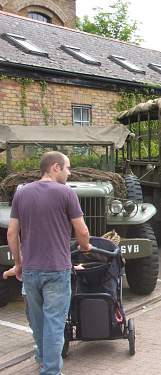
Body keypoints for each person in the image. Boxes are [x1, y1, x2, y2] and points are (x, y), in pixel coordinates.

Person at [7, 151, 91, 375]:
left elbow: (12, 233)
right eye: (67, 168)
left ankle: (43, 359)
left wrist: (18, 264)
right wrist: (85, 247)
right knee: (54, 323)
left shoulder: (21, 194)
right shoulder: (66, 193)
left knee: (37, 321)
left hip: (31, 271)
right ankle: (51, 371)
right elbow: (82, 230)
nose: (69, 172)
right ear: (55, 167)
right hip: (56, 270)